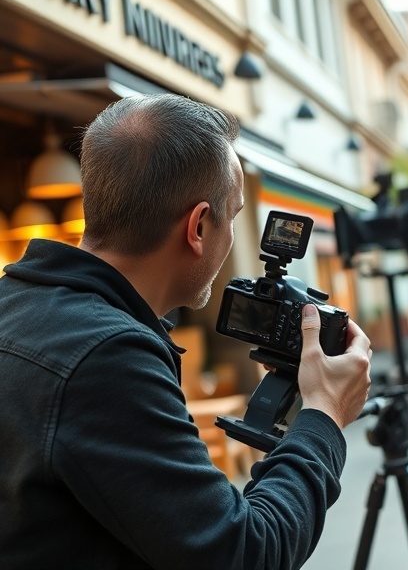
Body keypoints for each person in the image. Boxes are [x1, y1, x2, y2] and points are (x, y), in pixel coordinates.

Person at [0, 94, 372, 568]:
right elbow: (245, 555)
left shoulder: (14, 303)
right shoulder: (107, 358)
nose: (232, 235)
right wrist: (324, 414)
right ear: (198, 226)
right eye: (233, 216)